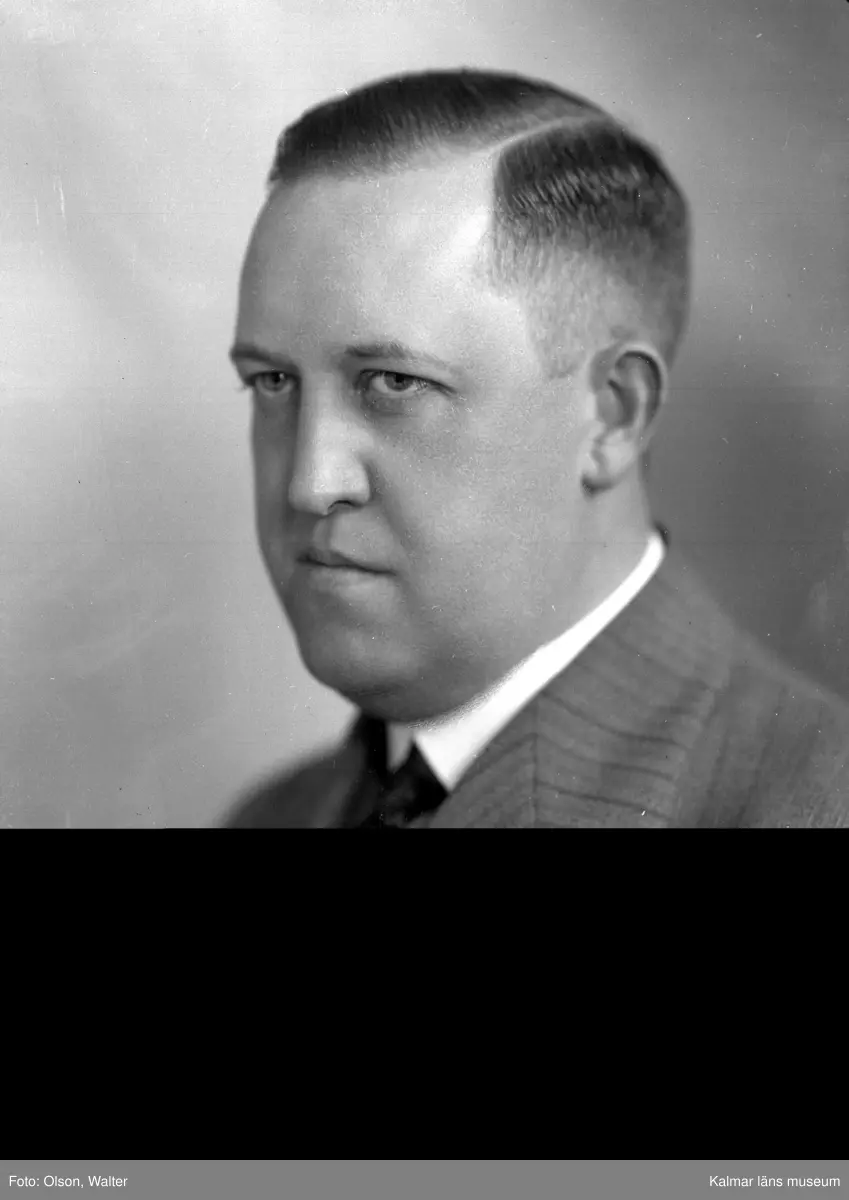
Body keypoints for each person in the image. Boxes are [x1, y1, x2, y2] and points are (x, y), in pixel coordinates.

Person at [222, 67, 849, 828]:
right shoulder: (275, 815)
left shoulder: (815, 803)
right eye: (272, 382)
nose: (310, 483)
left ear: (614, 414)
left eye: (394, 382)